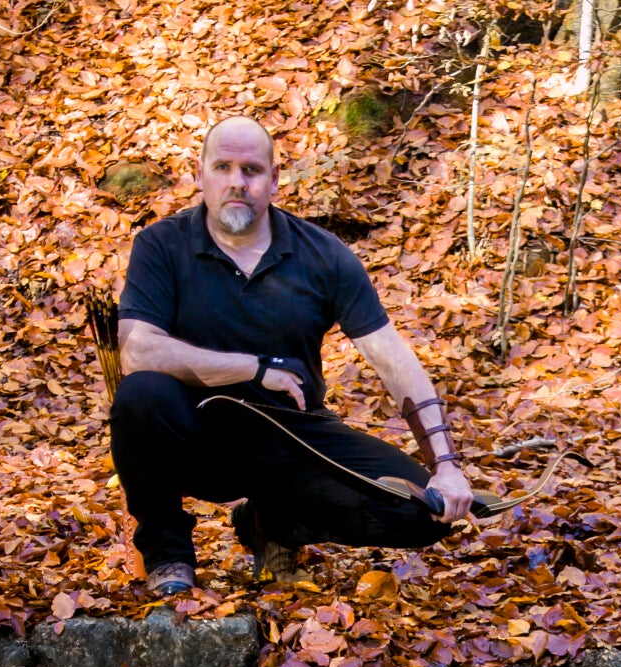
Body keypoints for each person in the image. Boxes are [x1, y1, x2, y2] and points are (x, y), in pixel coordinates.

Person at [113, 116, 476, 596]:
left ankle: (271, 523)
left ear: (274, 180)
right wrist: (253, 368)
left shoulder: (323, 255)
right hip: (195, 436)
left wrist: (445, 465)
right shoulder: (161, 245)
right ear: (199, 175)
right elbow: (137, 349)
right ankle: (168, 555)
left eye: (251, 170)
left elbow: (393, 359)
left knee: (421, 512)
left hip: (292, 437)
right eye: (222, 167)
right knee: (140, 395)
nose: (237, 182)